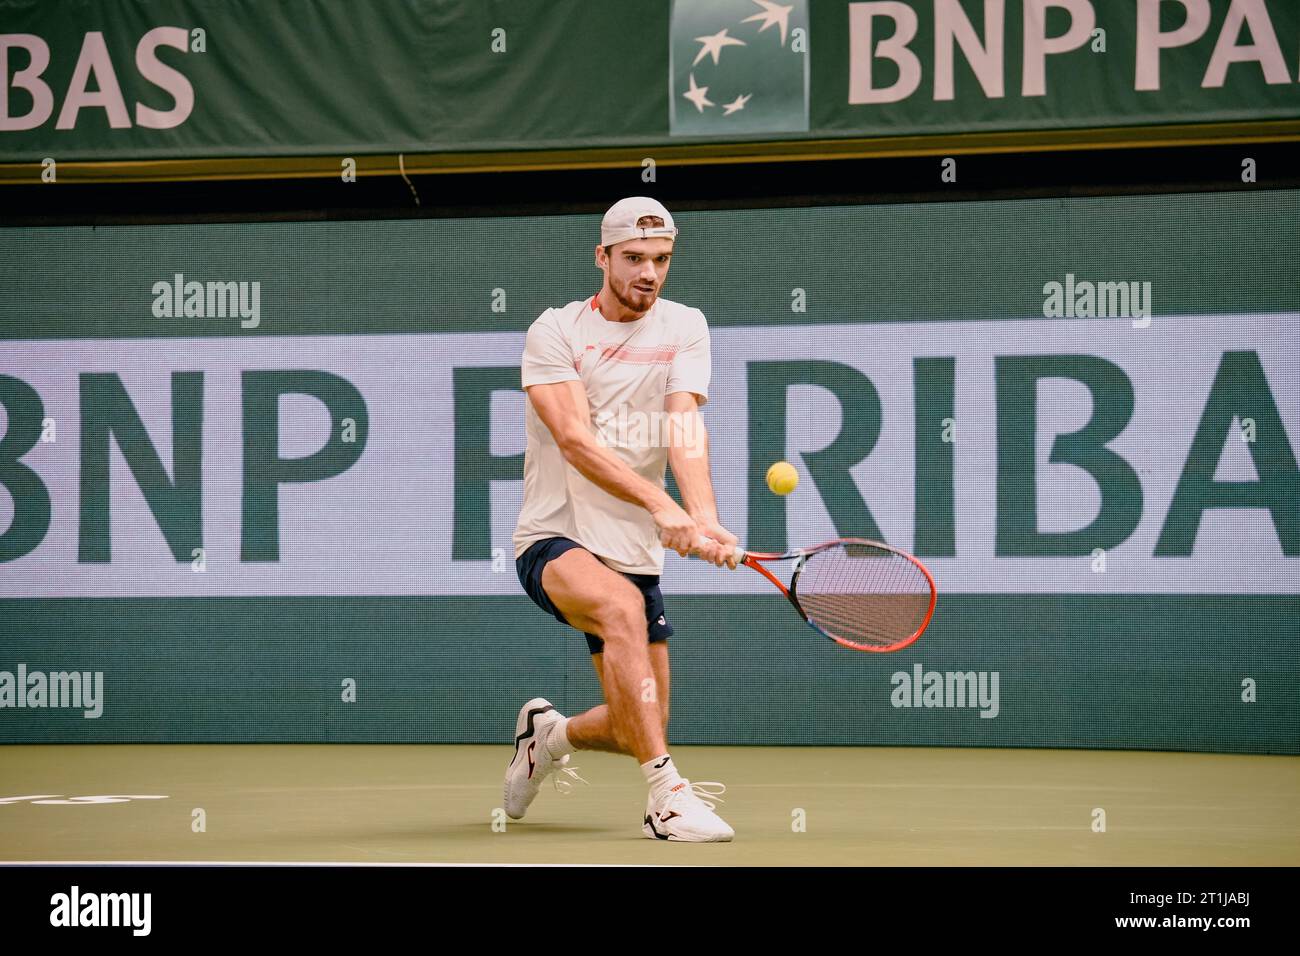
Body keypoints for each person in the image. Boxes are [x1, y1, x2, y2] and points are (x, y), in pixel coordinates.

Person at [506, 196, 739, 842]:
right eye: (634, 258)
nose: (649, 273)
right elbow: (577, 443)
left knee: (641, 718)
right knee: (620, 611)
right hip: (555, 539)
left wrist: (704, 517)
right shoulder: (555, 332)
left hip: (633, 550)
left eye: (661, 259)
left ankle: (549, 736)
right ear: (602, 257)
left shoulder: (685, 326)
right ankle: (666, 799)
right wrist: (663, 506)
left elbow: (684, 423)